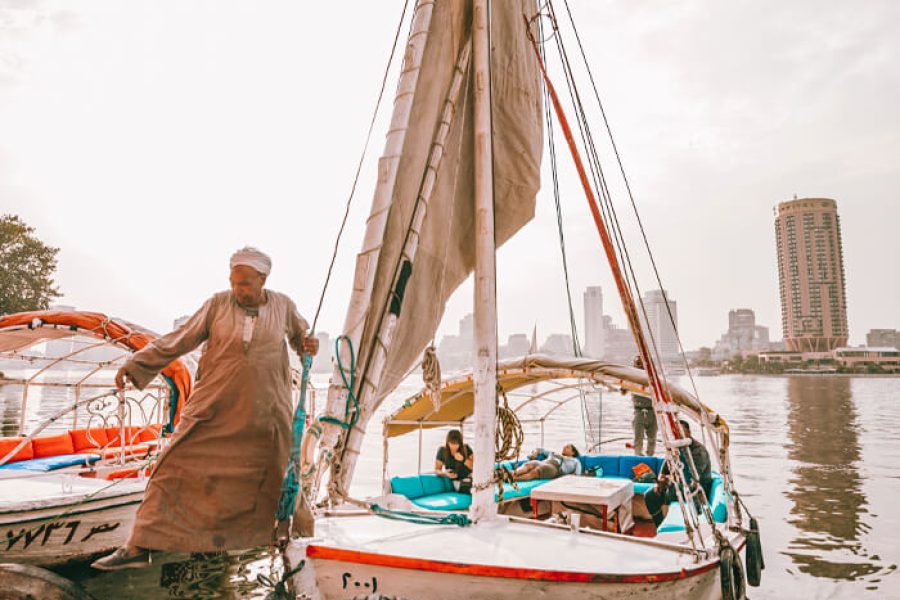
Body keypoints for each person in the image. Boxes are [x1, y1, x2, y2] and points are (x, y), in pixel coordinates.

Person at [92, 247, 319, 570]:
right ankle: (138, 545)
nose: (238, 289)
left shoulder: (283, 306)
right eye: (233, 282)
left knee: (279, 477)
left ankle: (293, 539)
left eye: (245, 284)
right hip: (212, 409)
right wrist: (138, 364)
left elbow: (302, 339)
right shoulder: (216, 304)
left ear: (263, 280)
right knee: (170, 468)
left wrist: (309, 345)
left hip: (266, 415)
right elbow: (180, 339)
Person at [643, 420, 712, 528]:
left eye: (680, 431)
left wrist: (669, 480)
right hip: (677, 486)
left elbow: (692, 478)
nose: (678, 434)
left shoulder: (699, 451)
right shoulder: (675, 448)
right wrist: (661, 481)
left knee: (680, 489)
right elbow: (664, 470)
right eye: (675, 432)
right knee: (650, 496)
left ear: (688, 432)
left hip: (698, 491)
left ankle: (693, 526)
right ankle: (660, 526)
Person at [631, 355, 658, 456]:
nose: (640, 366)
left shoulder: (653, 379)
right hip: (639, 411)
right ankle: (638, 456)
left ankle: (650, 456)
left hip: (652, 411)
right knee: (638, 437)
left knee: (652, 438)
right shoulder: (631, 378)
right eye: (638, 363)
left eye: (642, 363)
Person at [513, 444, 581, 481]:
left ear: (573, 452)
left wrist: (565, 477)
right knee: (527, 465)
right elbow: (539, 449)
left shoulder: (575, 461)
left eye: (567, 447)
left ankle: (514, 479)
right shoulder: (554, 453)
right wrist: (535, 454)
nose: (564, 447)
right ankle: (512, 473)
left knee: (534, 472)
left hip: (555, 467)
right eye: (565, 446)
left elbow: (577, 475)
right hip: (543, 462)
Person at [435, 429, 474, 493]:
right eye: (451, 443)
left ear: (460, 443)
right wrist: (446, 473)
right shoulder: (442, 450)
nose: (454, 446)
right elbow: (437, 470)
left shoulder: (466, 448)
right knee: (469, 488)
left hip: (470, 478)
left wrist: (463, 460)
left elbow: (474, 467)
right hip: (456, 482)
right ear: (447, 442)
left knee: (478, 487)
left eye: (456, 444)